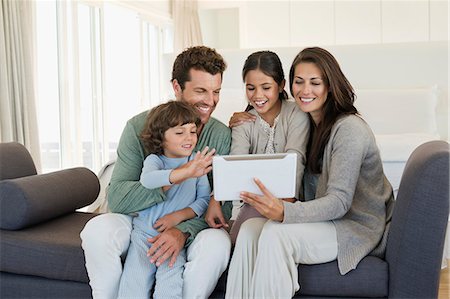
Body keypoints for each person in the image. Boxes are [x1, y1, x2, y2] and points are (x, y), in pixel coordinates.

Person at [225, 47, 395, 298]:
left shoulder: (349, 130)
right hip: (322, 221)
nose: (305, 91)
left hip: (352, 227)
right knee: (250, 230)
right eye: (299, 82)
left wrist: (285, 212)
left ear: (330, 85)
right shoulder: (308, 123)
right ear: (289, 86)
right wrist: (244, 116)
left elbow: (339, 202)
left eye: (315, 83)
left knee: (276, 234)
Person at [80, 46, 233, 299]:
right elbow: (118, 198)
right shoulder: (138, 127)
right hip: (139, 219)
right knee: (97, 231)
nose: (210, 101)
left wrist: (181, 230)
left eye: (216, 92)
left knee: (217, 245)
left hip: (186, 221)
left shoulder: (219, 134)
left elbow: (218, 208)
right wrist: (177, 176)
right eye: (200, 91)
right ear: (176, 87)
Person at [207, 51, 309, 246]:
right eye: (251, 88)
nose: (258, 95)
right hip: (252, 204)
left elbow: (296, 160)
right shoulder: (243, 122)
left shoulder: (296, 113)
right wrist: (215, 199)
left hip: (289, 204)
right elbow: (234, 164)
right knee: (242, 236)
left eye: (266, 87)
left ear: (281, 86)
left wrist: (282, 210)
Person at [117, 101, 215, 298]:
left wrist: (178, 217)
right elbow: (148, 180)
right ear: (161, 138)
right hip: (145, 235)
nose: (189, 138)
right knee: (134, 284)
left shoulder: (196, 162)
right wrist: (185, 172)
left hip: (173, 236)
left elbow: (204, 200)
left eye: (193, 131)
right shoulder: (155, 160)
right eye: (180, 133)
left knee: (170, 285)